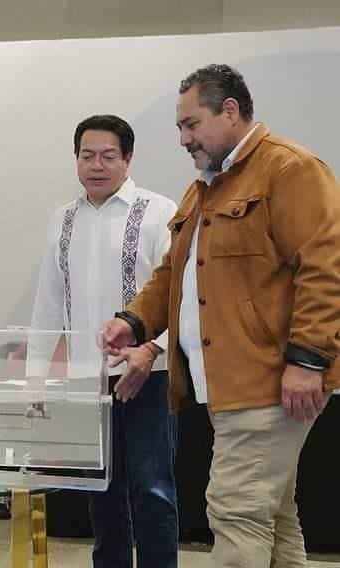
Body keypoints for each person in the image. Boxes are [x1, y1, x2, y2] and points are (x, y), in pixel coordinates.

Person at [101, 64, 340, 568]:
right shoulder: (205, 187)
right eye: (180, 128)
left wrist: (310, 360)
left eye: (192, 124)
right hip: (229, 387)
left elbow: (326, 269)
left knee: (235, 512)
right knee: (271, 518)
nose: (184, 138)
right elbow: (172, 276)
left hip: (270, 382)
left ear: (230, 110)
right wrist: (134, 322)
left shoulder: (289, 169)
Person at [31, 115, 179, 568]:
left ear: (128, 158)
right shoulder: (63, 218)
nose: (97, 165)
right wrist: (37, 377)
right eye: (86, 155)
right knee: (100, 492)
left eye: (108, 156)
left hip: (148, 376)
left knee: (153, 490)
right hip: (85, 382)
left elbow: (181, 299)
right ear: (76, 159)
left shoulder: (160, 211)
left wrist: (154, 349)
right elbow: (49, 302)